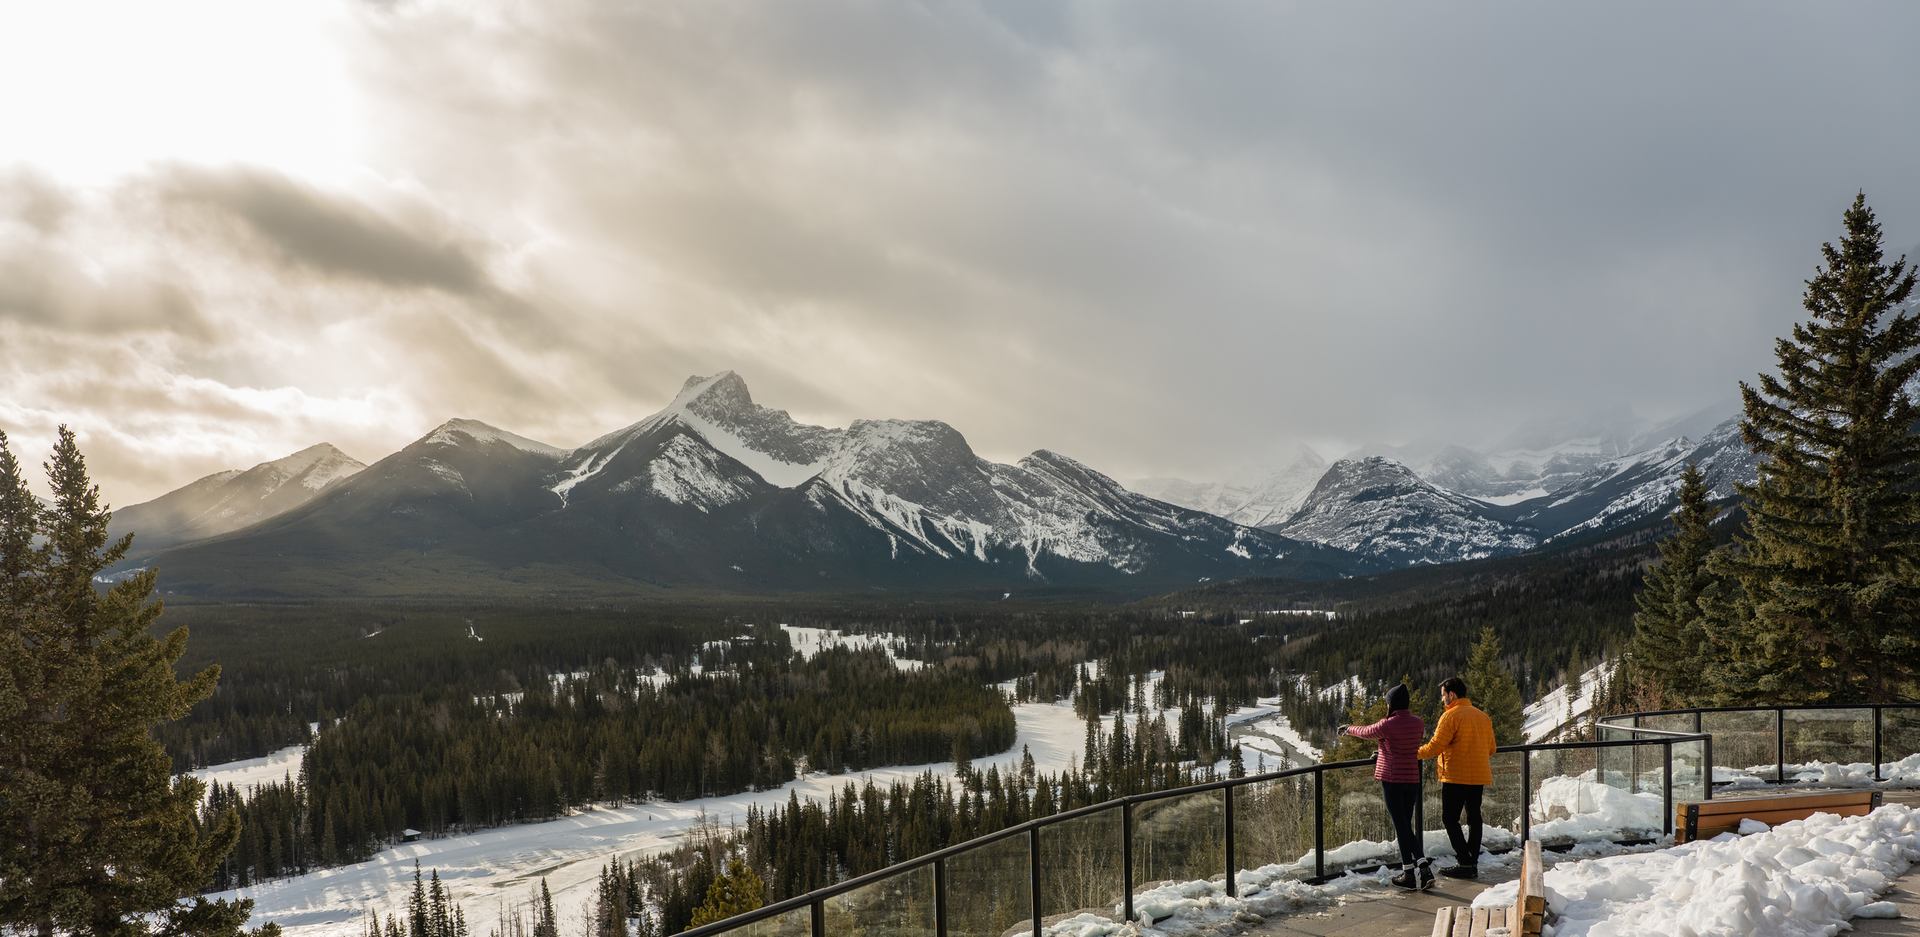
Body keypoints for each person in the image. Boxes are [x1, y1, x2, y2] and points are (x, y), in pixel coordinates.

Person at [1341, 683, 1432, 889]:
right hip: (1411, 780)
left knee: (1402, 827)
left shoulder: (1387, 724)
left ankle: (1419, 868)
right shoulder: (1418, 723)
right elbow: (1401, 746)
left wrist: (1348, 729)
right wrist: (1382, 751)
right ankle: (1414, 871)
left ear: (1391, 704)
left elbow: (1366, 732)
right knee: (1405, 827)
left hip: (1392, 780)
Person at [1417, 676, 1496, 878]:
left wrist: (1413, 753)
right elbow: (1492, 748)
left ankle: (1465, 861)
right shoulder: (1482, 716)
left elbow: (1434, 746)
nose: (1443, 700)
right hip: (1478, 775)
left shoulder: (1451, 716)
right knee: (1474, 817)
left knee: (1450, 818)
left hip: (1455, 776)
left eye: (1443, 695)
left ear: (1451, 694)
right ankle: (1472, 862)